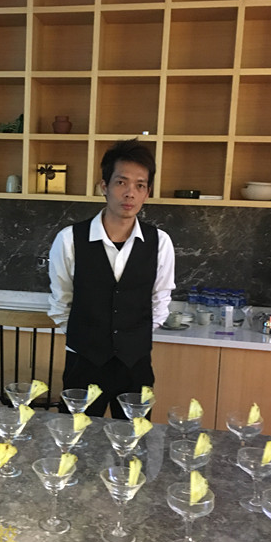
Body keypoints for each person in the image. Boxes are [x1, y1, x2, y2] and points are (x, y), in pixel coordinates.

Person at [48, 139, 175, 418]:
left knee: (134, 440)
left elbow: (160, 300)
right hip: (83, 363)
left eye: (140, 185)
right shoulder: (69, 240)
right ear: (104, 186)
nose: (130, 193)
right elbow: (61, 302)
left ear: (147, 193)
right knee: (75, 438)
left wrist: (132, 338)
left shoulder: (160, 242)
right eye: (121, 182)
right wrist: (85, 338)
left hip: (135, 366)